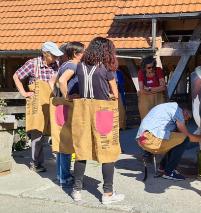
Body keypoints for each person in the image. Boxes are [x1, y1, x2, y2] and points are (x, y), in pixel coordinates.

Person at [62, 37, 124, 204]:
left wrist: (69, 96)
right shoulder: (106, 68)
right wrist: (111, 96)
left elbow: (65, 82)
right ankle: (107, 193)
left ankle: (76, 190)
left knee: (82, 151)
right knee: (107, 152)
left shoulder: (80, 66)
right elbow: (115, 93)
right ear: (106, 50)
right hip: (103, 112)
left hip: (83, 112)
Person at [13, 41, 63, 172]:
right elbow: (16, 76)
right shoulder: (32, 64)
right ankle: (35, 163)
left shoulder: (57, 65)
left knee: (56, 130)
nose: (56, 58)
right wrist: (24, 93)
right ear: (45, 54)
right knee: (37, 132)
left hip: (52, 100)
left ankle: (61, 161)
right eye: (53, 55)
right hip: (38, 102)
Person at [136, 102, 201, 181]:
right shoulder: (177, 111)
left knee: (176, 139)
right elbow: (188, 136)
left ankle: (162, 167)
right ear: (185, 113)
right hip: (150, 138)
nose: (186, 121)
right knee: (185, 139)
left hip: (143, 138)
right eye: (187, 119)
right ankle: (169, 172)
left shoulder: (170, 108)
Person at [49, 42, 84, 187]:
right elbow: (62, 81)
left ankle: (60, 174)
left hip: (60, 106)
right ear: (76, 54)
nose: (85, 55)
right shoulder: (73, 65)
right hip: (67, 107)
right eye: (83, 52)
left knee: (62, 142)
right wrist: (67, 96)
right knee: (67, 144)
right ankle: (64, 177)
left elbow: (52, 81)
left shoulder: (64, 64)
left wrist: (58, 95)